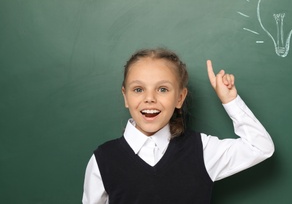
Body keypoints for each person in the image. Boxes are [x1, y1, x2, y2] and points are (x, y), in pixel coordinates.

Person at [82, 48, 274, 203]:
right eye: (138, 89)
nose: (150, 98)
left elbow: (260, 147)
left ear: (180, 98)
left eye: (163, 89)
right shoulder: (103, 159)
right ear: (125, 96)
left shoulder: (202, 150)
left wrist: (230, 101)